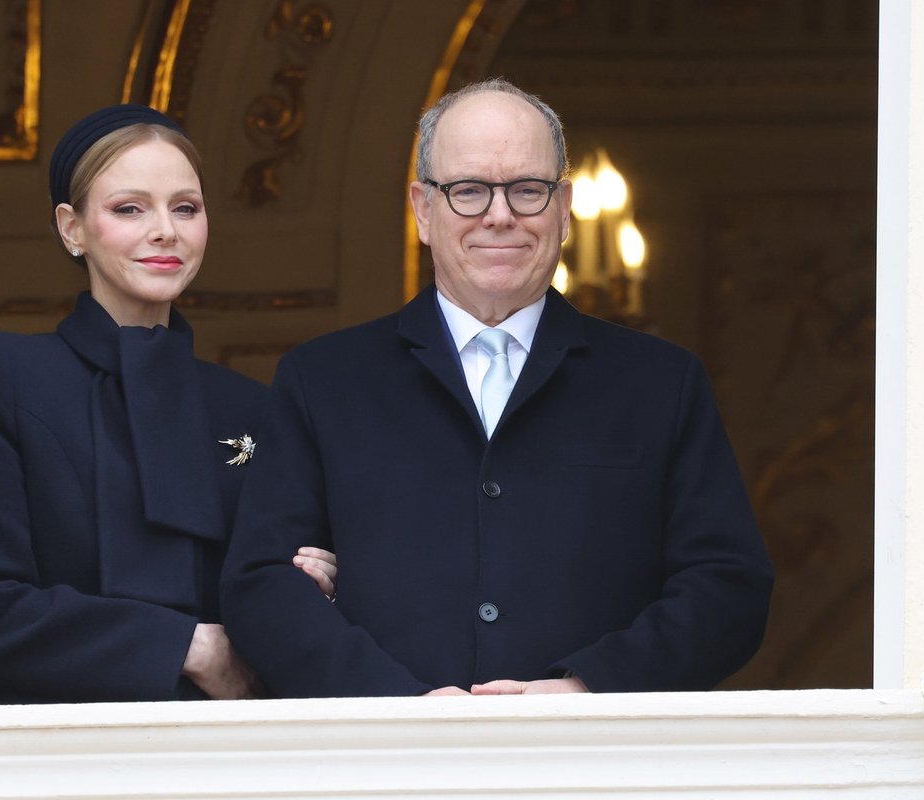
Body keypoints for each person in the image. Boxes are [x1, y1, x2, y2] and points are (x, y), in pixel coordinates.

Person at [219, 78, 774, 697]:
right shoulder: (322, 380)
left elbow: (729, 586)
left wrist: (587, 691)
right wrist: (395, 706)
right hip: (382, 771)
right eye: (469, 190)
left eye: (527, 190)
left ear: (564, 208)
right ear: (424, 210)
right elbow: (260, 584)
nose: (500, 214)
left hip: (600, 772)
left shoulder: (661, 383)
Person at [0, 104, 335, 704]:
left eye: (185, 208)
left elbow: (274, 600)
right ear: (71, 228)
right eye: (129, 208)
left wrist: (305, 589)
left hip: (224, 762)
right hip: (55, 760)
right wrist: (187, 646)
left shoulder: (251, 408)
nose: (165, 230)